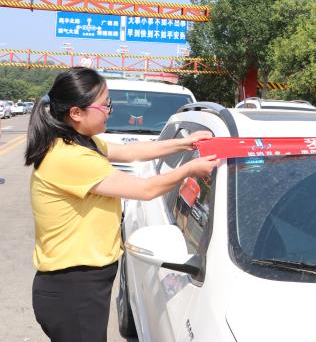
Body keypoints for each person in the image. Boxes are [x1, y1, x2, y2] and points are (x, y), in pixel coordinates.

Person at [25, 67, 220, 342]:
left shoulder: (83, 142)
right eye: (105, 105)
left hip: (80, 285)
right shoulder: (69, 157)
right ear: (76, 113)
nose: (110, 111)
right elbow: (145, 189)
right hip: (73, 289)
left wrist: (185, 143)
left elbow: (130, 152)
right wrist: (189, 169)